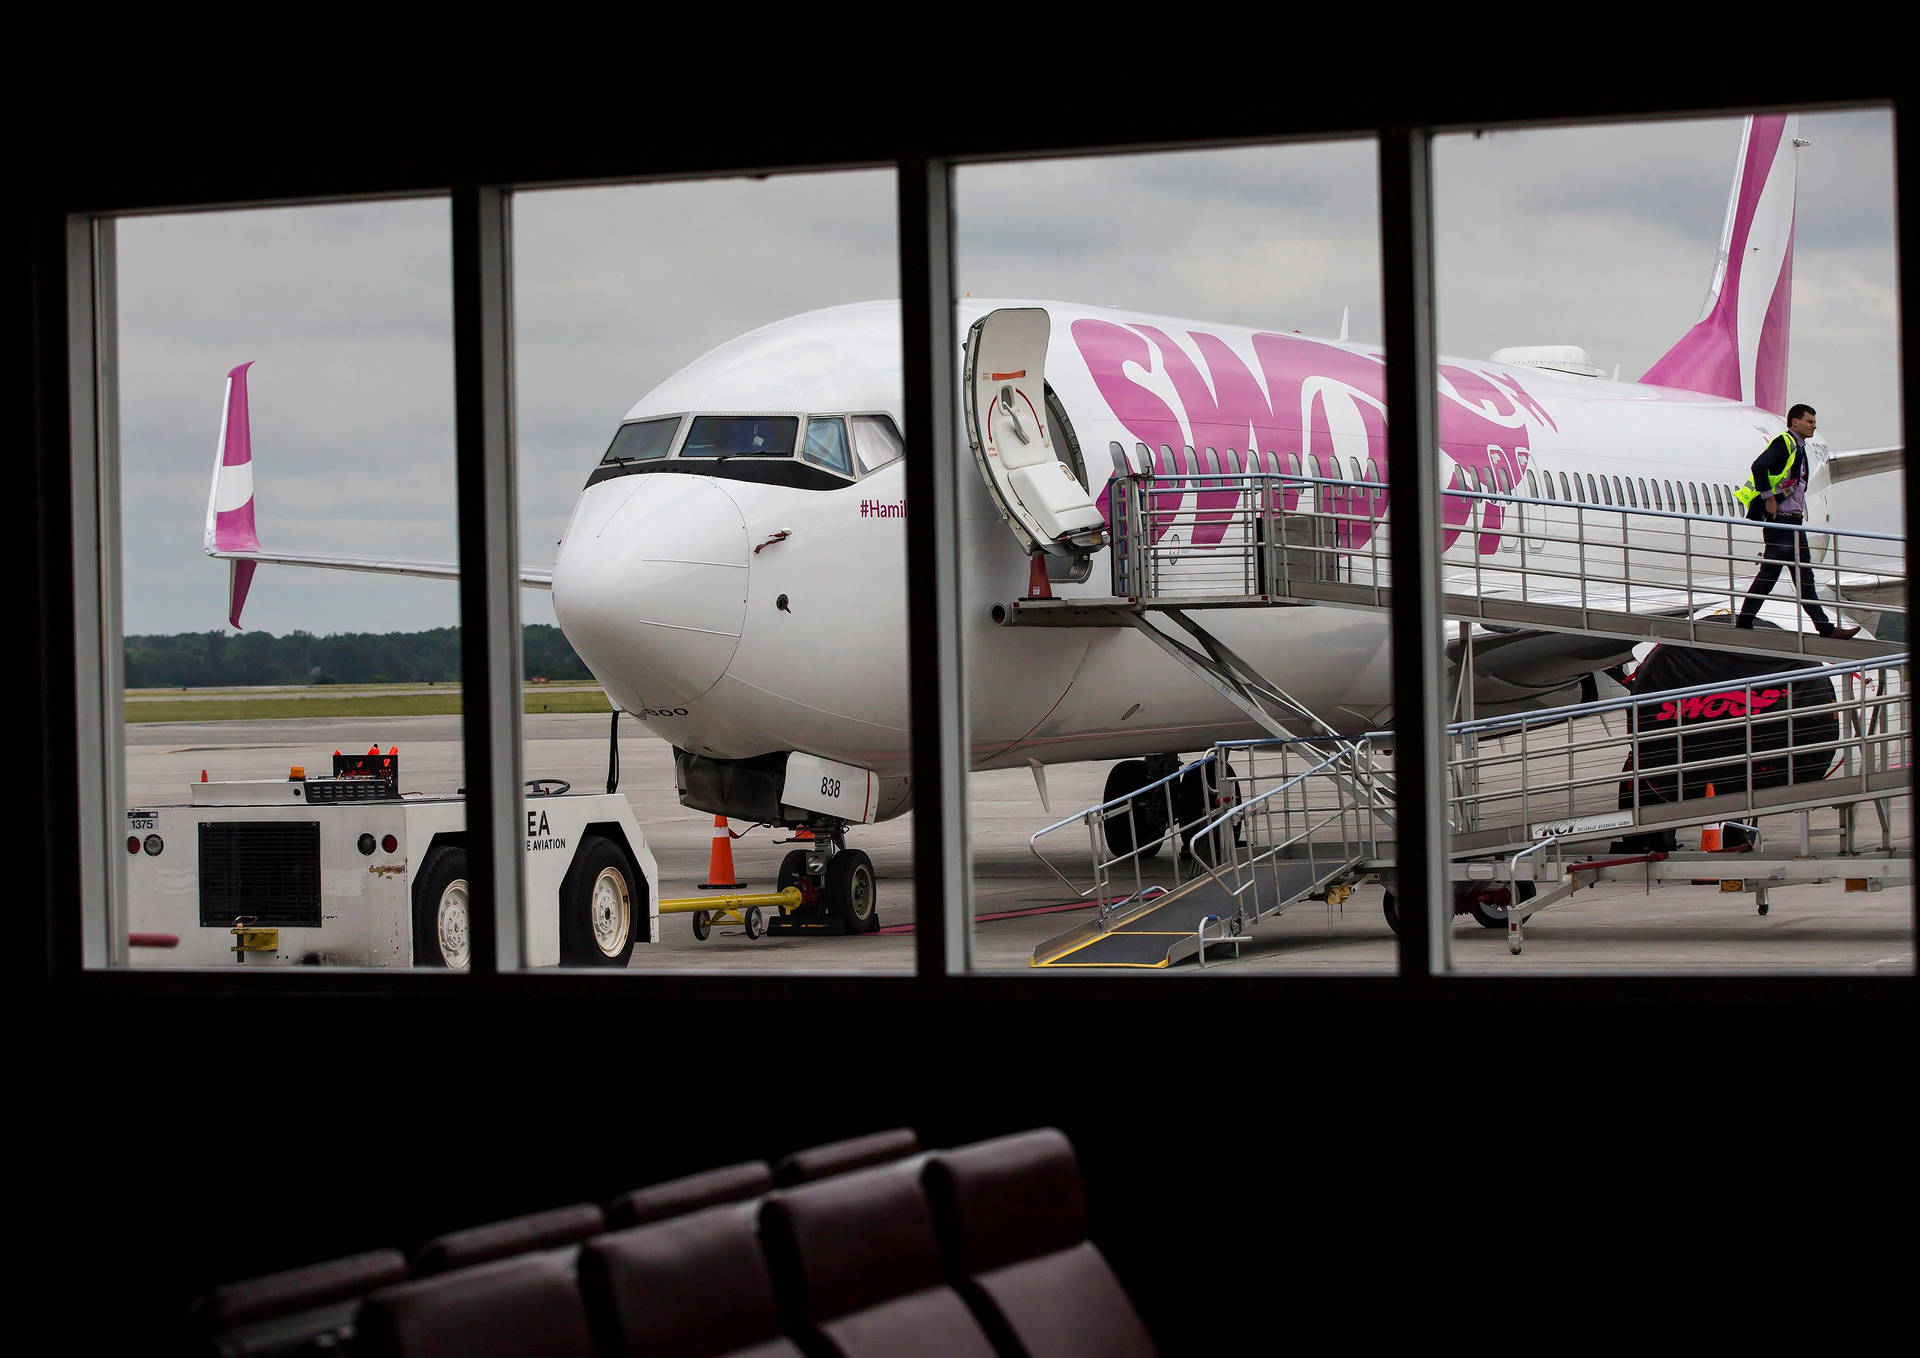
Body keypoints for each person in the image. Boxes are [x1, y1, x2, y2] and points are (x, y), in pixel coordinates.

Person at [1732, 403, 1860, 638]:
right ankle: (1744, 621)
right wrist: (1769, 498)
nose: (1814, 425)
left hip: (1794, 522)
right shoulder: (1785, 443)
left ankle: (1825, 628)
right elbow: (1759, 466)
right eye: (1809, 421)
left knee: (1804, 579)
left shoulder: (1799, 448)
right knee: (1770, 573)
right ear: (1795, 422)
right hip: (1781, 521)